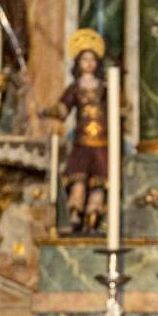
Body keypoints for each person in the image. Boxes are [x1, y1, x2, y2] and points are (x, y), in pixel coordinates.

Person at [43, 29, 116, 233]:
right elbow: (63, 108)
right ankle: (75, 213)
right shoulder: (75, 88)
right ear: (78, 63)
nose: (89, 63)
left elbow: (117, 108)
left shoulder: (104, 88)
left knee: (99, 184)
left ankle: (94, 214)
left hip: (102, 143)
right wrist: (50, 111)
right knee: (78, 181)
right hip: (82, 142)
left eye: (92, 59)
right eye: (84, 59)